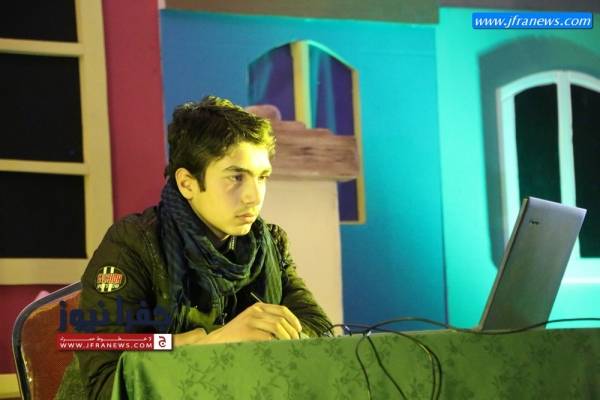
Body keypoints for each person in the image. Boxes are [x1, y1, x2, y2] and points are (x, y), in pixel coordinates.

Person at [72, 96, 332, 399]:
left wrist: (276, 337)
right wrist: (217, 342)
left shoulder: (270, 243)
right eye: (236, 177)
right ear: (187, 183)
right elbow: (105, 382)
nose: (254, 196)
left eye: (262, 177)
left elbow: (321, 330)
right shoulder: (132, 244)